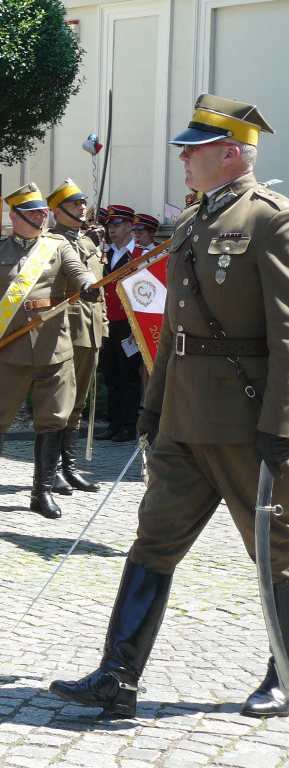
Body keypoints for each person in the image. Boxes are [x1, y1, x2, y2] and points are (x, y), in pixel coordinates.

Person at [50, 94, 289, 719]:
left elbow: (287, 335)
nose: (182, 157)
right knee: (153, 541)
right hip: (183, 419)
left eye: (194, 149)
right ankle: (117, 675)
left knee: (276, 551)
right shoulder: (190, 224)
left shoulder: (271, 220)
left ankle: (287, 674)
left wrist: (281, 425)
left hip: (243, 422)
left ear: (231, 153)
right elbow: (174, 333)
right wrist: (154, 409)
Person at [0, 183, 98, 519]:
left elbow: (78, 270)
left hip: (54, 349)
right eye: (34, 213)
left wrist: (87, 284)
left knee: (53, 420)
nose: (41, 217)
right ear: (15, 216)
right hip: (10, 350)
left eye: (43, 212)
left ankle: (42, 492)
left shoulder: (57, 246)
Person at [47, 179, 106, 494]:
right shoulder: (53, 240)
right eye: (74, 204)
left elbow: (99, 287)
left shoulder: (87, 239)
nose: (82, 208)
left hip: (90, 330)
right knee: (60, 402)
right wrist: (91, 244)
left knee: (78, 403)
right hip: (67, 329)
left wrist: (103, 325)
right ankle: (51, 470)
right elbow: (74, 273)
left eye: (83, 203)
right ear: (57, 211)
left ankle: (70, 468)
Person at [96, 204, 144, 442]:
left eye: (116, 226)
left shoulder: (142, 254)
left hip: (128, 323)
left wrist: (138, 326)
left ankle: (128, 425)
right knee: (111, 375)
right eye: (109, 226)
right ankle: (113, 424)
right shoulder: (103, 253)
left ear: (128, 227)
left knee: (129, 376)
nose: (111, 230)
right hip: (107, 321)